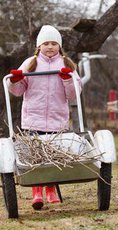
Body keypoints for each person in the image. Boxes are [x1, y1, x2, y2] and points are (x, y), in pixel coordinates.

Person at [7, 25, 82, 210]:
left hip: (57, 118)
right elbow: (18, 91)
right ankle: (37, 192)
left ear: (60, 46)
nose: (50, 47)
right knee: (36, 156)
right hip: (34, 117)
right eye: (46, 43)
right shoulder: (30, 63)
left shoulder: (66, 64)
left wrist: (66, 79)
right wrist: (15, 81)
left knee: (54, 155)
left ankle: (51, 190)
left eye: (54, 43)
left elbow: (73, 94)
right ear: (39, 46)